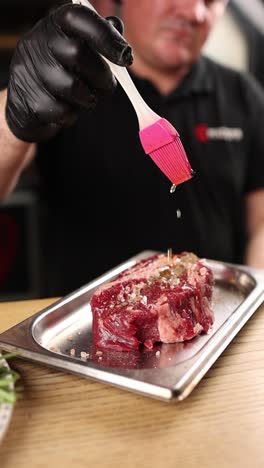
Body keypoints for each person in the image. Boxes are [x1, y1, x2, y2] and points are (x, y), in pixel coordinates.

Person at [0, 0, 264, 297]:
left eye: (211, 1)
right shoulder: (67, 84)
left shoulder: (244, 96)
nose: (195, 13)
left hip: (217, 315)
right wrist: (14, 116)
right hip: (88, 325)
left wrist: (255, 298)